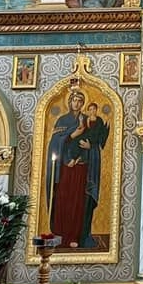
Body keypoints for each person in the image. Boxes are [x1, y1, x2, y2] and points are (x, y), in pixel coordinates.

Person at [46, 88, 109, 248]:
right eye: (74, 100)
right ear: (69, 102)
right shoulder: (62, 121)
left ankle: (76, 236)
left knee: (79, 201)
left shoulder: (88, 120)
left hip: (81, 168)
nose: (77, 103)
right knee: (63, 200)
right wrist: (71, 136)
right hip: (65, 168)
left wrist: (89, 147)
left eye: (80, 101)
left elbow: (94, 142)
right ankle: (61, 234)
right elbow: (54, 144)